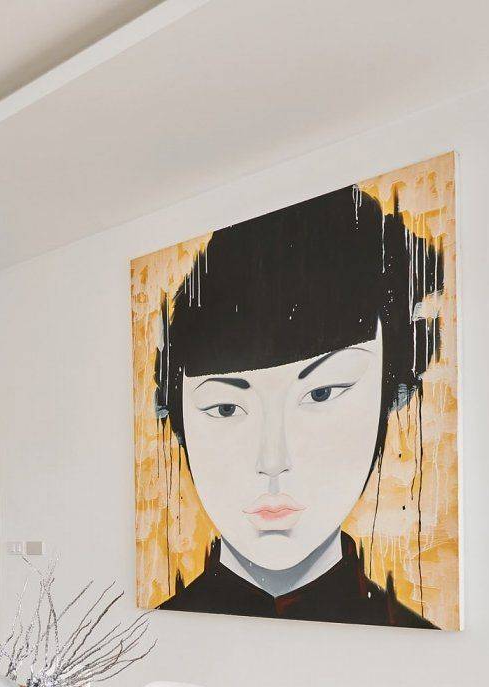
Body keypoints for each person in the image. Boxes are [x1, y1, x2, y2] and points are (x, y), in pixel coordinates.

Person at [150, 182, 443, 627]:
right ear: (178, 420)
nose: (273, 462)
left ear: (393, 395)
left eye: (322, 393)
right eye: (226, 408)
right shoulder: (153, 631)